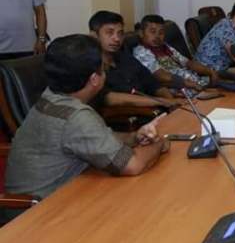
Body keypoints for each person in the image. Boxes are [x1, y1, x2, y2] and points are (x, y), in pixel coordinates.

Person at [3, 34, 169, 223]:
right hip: (37, 216)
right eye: (103, 67)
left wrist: (134, 137)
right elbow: (133, 165)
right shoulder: (76, 116)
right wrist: (160, 144)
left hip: (53, 198)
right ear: (95, 79)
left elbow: (94, 138)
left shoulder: (51, 97)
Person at [89, 11, 181, 108]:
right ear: (94, 36)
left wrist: (171, 101)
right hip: (126, 115)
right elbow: (109, 98)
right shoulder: (90, 65)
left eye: (120, 33)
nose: (117, 39)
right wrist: (162, 101)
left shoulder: (125, 57)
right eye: (109, 32)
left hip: (155, 109)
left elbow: (153, 84)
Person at [133, 14, 218, 90]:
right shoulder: (141, 52)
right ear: (141, 33)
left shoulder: (165, 47)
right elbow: (159, 75)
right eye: (152, 32)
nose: (157, 36)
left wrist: (209, 71)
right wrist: (186, 83)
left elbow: (188, 63)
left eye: (161, 33)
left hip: (195, 82)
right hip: (177, 88)